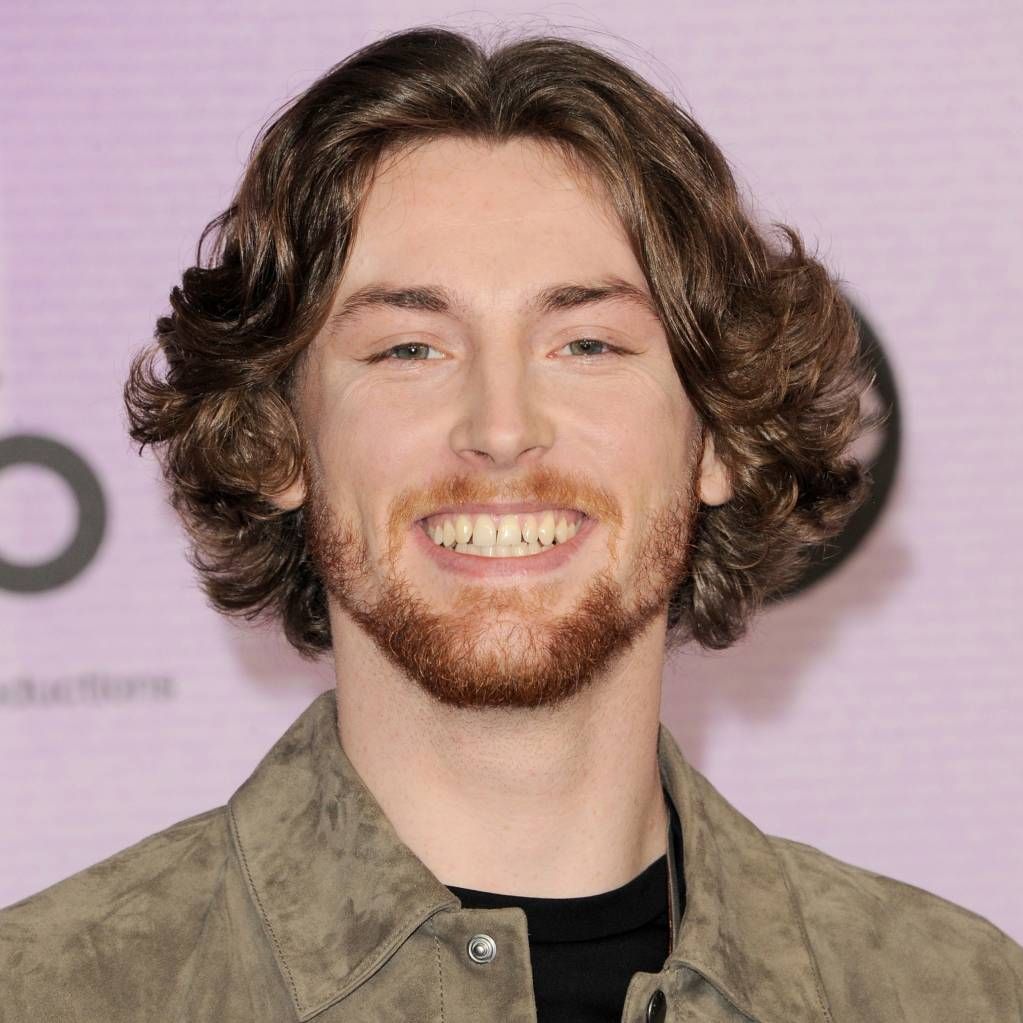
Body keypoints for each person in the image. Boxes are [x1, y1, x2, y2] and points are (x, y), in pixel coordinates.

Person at [2, 25, 1020, 1023]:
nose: (500, 429)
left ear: (716, 438)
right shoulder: (51, 994)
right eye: (409, 349)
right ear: (276, 444)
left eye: (586, 344)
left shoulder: (960, 995)